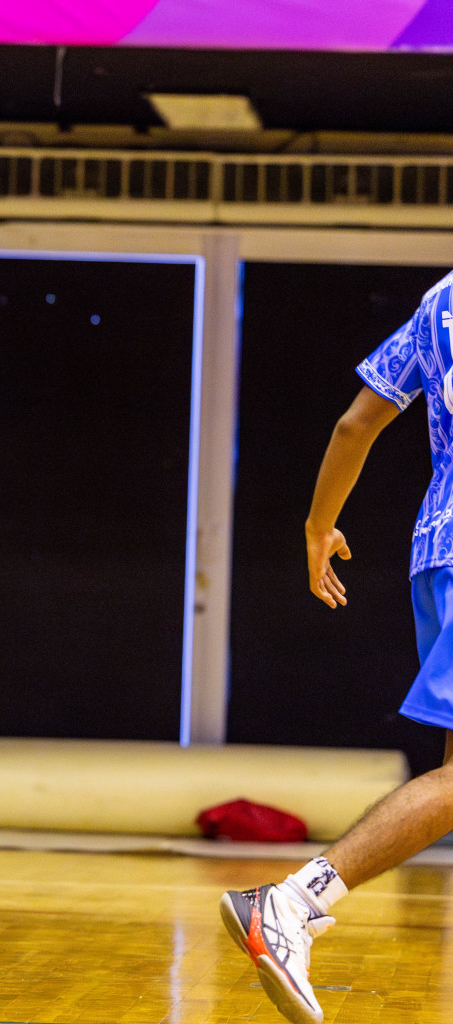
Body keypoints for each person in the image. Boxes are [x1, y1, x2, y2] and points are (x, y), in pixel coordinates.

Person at [220, 269, 453, 1024]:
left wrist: (319, 526)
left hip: (437, 551)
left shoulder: (440, 300)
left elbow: (356, 424)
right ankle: (290, 903)